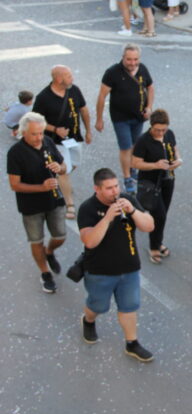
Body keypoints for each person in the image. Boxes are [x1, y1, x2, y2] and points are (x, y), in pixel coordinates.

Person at [77, 168, 155, 362]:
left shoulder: (127, 199)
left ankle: (132, 343)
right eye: (109, 188)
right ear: (97, 189)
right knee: (98, 306)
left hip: (129, 268)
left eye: (116, 186)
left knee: (129, 307)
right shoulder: (87, 208)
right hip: (100, 271)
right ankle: (88, 320)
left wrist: (133, 211)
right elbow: (89, 241)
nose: (115, 192)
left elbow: (149, 226)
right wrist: (107, 217)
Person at [7, 112, 67, 293]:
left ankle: (49, 252)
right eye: (34, 134)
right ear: (23, 132)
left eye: (41, 132)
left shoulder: (48, 142)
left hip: (54, 200)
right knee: (36, 240)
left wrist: (60, 168)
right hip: (31, 207)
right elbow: (14, 185)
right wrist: (42, 187)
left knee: (60, 236)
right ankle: (45, 272)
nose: (39, 137)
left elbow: (63, 167)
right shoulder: (16, 153)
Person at [33, 65, 91, 220]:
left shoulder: (74, 90)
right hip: (55, 142)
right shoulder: (43, 98)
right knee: (64, 171)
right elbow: (36, 121)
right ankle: (69, 204)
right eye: (69, 76)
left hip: (74, 139)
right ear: (59, 79)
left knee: (73, 165)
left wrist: (89, 131)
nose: (72, 78)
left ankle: (57, 178)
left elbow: (84, 110)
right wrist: (55, 129)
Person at [96, 43, 154, 194]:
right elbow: (102, 96)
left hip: (139, 117)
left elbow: (150, 87)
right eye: (129, 59)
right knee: (125, 147)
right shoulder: (112, 72)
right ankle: (128, 177)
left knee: (135, 145)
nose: (132, 63)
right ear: (123, 57)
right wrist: (99, 119)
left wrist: (149, 107)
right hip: (120, 118)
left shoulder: (142, 69)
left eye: (135, 59)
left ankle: (132, 167)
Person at [131, 109, 182, 264]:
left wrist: (178, 160)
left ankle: (157, 240)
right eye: (157, 130)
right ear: (151, 126)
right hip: (150, 183)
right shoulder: (143, 140)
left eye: (163, 130)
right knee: (158, 215)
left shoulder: (169, 134)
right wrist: (156, 165)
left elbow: (174, 149)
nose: (161, 133)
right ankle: (154, 246)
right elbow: (135, 163)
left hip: (168, 180)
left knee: (163, 213)